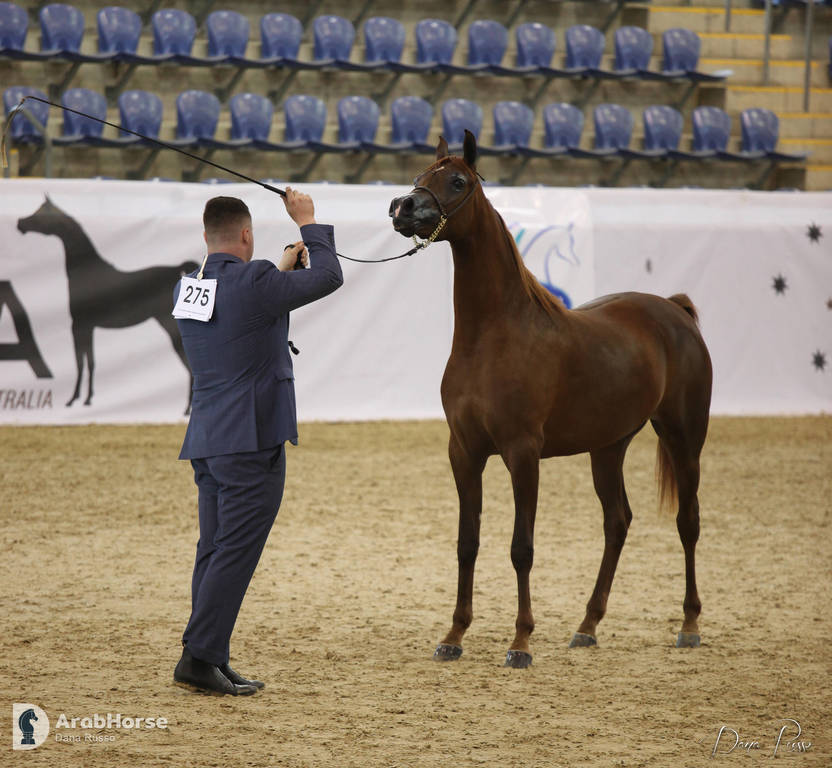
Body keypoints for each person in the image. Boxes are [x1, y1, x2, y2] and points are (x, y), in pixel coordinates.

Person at [172, 189, 343, 695]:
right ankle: (199, 656)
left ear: (207, 238)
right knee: (235, 552)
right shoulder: (256, 278)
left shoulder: (188, 288)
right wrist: (307, 222)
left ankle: (208, 654)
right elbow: (330, 276)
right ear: (247, 234)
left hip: (207, 437)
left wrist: (279, 274)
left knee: (215, 548)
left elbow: (239, 320)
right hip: (250, 440)